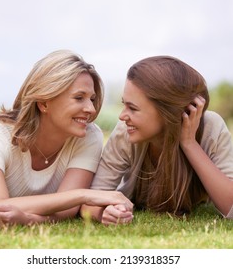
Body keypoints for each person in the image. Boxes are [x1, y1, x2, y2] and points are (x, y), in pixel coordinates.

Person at [0, 50, 133, 227]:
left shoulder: (88, 136)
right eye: (79, 98)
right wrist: (84, 195)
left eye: (92, 99)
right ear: (43, 103)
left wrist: (28, 220)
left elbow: (67, 210)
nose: (91, 109)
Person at [81, 55, 233, 225]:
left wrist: (189, 143)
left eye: (132, 108)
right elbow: (91, 201)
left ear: (166, 111)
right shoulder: (125, 132)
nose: (122, 115)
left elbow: (230, 206)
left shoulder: (211, 127)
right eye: (124, 105)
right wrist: (104, 212)